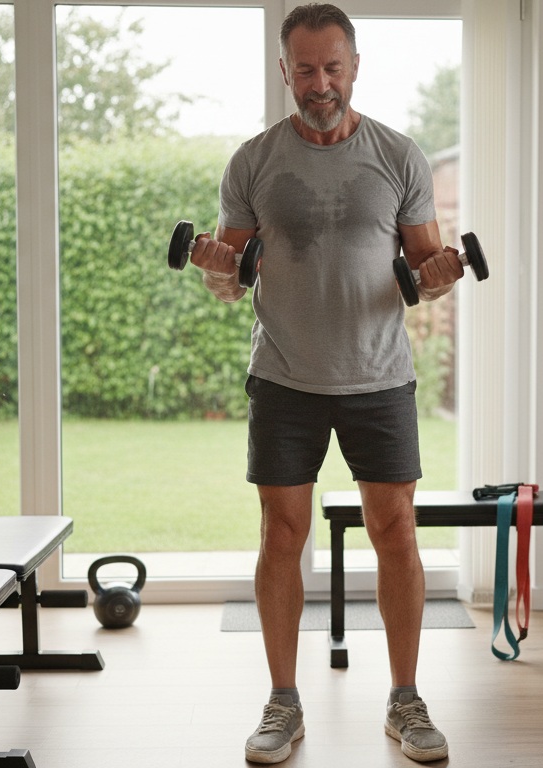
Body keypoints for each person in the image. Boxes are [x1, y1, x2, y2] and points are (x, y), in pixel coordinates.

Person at [188, 3, 461, 764]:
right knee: (282, 537)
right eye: (304, 70)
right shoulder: (253, 162)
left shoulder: (399, 156)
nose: (320, 83)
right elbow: (230, 277)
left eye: (332, 67)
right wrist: (215, 271)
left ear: (355, 65)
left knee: (395, 532)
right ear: (284, 71)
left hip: (379, 374)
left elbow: (425, 272)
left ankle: (405, 701)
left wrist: (441, 279)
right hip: (283, 375)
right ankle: (283, 703)